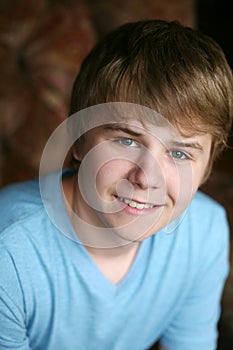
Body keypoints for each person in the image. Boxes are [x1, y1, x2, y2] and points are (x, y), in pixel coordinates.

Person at [0, 19, 233, 350]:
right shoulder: (10, 253)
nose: (146, 178)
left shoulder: (204, 231)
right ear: (77, 140)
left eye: (179, 153)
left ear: (207, 168)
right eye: (126, 141)